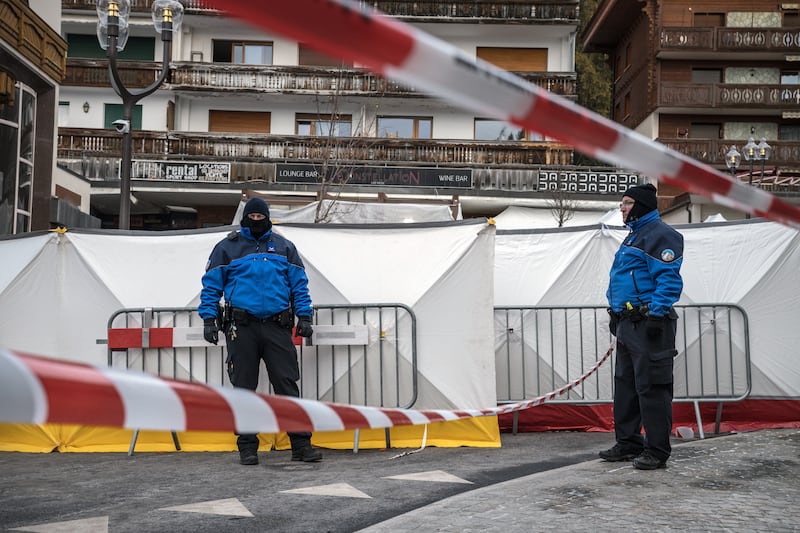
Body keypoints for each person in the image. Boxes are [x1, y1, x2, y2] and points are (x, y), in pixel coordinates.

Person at [199, 197, 322, 465]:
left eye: (260, 217)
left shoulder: (284, 247)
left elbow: (299, 285)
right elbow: (211, 286)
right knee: (243, 388)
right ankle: (247, 447)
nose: (256, 222)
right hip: (242, 328)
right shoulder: (227, 248)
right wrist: (209, 318)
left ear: (267, 218)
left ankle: (301, 445)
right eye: (252, 217)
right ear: (245, 218)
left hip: (278, 326)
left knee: (287, 386)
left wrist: (304, 315)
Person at [600, 183, 683, 470]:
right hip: (627, 322)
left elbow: (669, 280)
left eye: (626, 203)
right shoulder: (633, 237)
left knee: (652, 388)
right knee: (626, 387)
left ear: (642, 206)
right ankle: (628, 443)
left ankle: (657, 450)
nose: (621, 208)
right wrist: (616, 311)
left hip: (649, 323)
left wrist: (657, 315)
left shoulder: (661, 235)